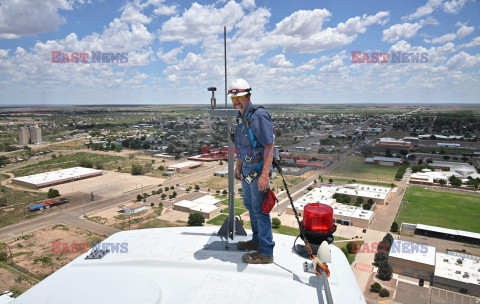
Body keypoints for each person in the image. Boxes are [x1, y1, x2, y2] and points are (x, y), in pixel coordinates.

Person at [228, 78, 275, 264]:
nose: (236, 101)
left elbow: (269, 146)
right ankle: (256, 242)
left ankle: (266, 251)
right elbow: (242, 145)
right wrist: (238, 165)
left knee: (260, 211)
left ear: (248, 96)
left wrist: (265, 174)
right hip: (246, 168)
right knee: (250, 206)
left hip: (257, 169)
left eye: (239, 97)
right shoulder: (241, 117)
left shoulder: (258, 115)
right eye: (233, 98)